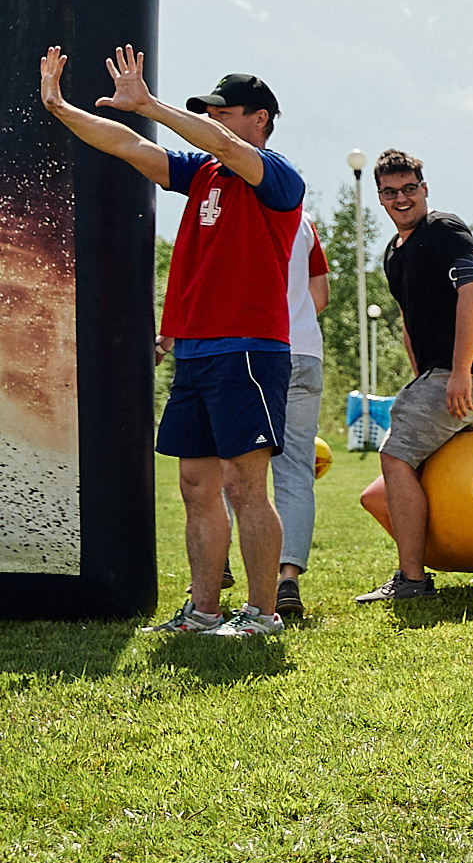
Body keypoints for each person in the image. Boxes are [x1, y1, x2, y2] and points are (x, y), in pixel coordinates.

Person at [36, 46, 303, 638]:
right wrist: (61, 108)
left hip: (249, 351)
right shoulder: (203, 173)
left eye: (222, 112)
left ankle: (263, 615)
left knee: (243, 483)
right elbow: (130, 146)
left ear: (258, 117)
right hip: (197, 352)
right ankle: (203, 611)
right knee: (196, 483)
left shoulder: (277, 176)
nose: (213, 122)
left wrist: (149, 103)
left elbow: (229, 148)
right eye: (206, 114)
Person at [353, 149, 473, 603]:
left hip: (470, 372)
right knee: (456, 468)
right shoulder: (392, 253)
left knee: (395, 457)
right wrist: (422, 376)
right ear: (381, 198)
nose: (401, 199)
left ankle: (413, 580)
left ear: (424, 189)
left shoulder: (443, 229)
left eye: (409, 189)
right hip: (451, 374)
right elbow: (408, 320)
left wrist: (458, 371)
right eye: (391, 192)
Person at [268, 213, 330, 617]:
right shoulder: (303, 219)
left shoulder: (232, 206)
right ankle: (286, 579)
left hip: (256, 348)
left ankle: (214, 565)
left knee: (227, 461)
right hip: (305, 351)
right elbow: (320, 295)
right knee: (294, 471)